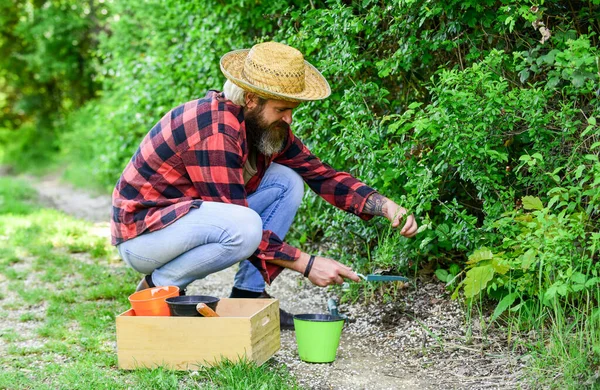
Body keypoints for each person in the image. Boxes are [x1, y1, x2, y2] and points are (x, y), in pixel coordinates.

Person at [110, 41, 418, 329]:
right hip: (144, 235)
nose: (288, 120)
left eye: (292, 110)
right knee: (243, 226)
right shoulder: (214, 129)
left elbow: (321, 174)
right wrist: (307, 264)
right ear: (251, 99)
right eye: (281, 110)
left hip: (183, 221)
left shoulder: (262, 127)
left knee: (288, 180)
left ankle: (248, 294)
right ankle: (159, 286)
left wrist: (383, 205)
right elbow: (235, 217)